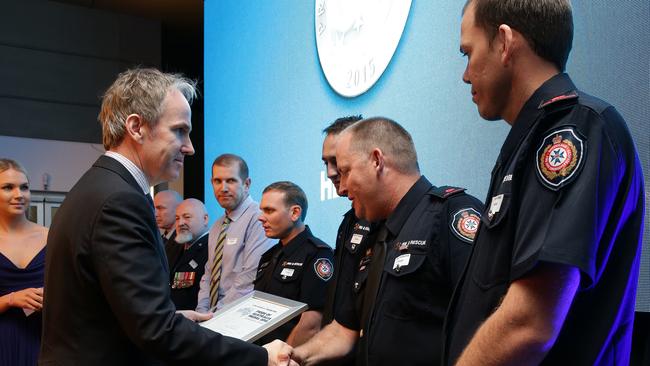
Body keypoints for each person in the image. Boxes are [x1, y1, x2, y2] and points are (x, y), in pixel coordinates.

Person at [39, 68, 292, 365]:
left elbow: (112, 311)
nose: (190, 147)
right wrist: (261, 357)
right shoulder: (119, 201)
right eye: (179, 130)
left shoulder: (100, 188)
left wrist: (171, 317)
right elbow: (156, 332)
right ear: (136, 127)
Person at [444, 1, 645, 365]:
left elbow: (529, 323)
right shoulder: (530, 140)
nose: (465, 74)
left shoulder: (575, 129)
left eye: (468, 53)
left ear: (504, 42)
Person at [292, 117, 483, 365]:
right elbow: (345, 329)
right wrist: (295, 357)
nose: (342, 187)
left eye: (346, 171)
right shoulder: (374, 232)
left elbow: (485, 321)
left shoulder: (450, 214)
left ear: (376, 161)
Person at [254, 181, 334, 347]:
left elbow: (312, 324)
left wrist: (281, 360)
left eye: (269, 210)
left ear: (295, 213)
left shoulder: (318, 254)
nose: (260, 217)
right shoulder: (269, 256)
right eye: (262, 210)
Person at [196, 154, 274, 312]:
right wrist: (201, 312)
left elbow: (249, 277)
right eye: (217, 181)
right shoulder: (218, 225)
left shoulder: (259, 218)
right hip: (212, 318)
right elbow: (209, 274)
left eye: (230, 181)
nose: (223, 188)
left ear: (246, 184)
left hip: (238, 315)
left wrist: (215, 316)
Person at [0, 159, 48, 366]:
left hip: (44, 338)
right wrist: (10, 299)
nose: (19, 195)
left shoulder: (51, 236)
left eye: (24, 187)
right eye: (8, 187)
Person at [169, 199, 210, 311]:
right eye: (177, 218)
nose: (180, 223)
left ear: (205, 219)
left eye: (187, 217)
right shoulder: (175, 247)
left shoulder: (211, 248)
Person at [154, 189, 183, 269]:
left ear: (178, 209)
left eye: (160, 208)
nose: (155, 214)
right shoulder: (159, 239)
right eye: (154, 209)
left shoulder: (185, 243)